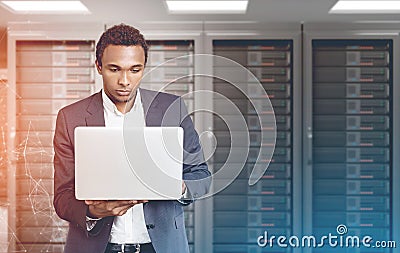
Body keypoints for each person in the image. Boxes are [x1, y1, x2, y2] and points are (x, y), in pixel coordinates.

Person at [53, 24, 211, 253]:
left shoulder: (172, 109)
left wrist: (178, 186)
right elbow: (62, 197)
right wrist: (96, 211)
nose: (125, 81)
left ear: (144, 68)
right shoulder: (70, 117)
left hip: (161, 246)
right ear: (98, 66)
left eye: (135, 70)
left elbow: (202, 176)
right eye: (114, 69)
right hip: (96, 246)